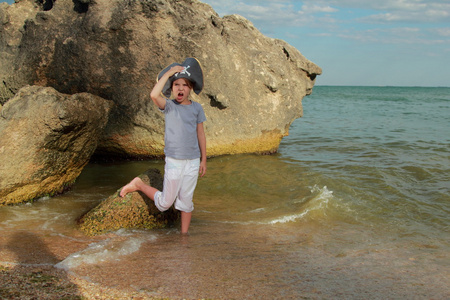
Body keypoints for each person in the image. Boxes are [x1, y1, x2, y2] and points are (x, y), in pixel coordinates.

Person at [120, 58, 207, 234]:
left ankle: (184, 237)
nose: (180, 88)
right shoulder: (168, 106)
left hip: (192, 161)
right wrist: (168, 73)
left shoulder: (197, 108)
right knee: (165, 203)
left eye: (184, 85)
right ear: (171, 87)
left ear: (190, 88)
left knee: (186, 201)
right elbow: (153, 95)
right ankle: (138, 185)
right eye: (176, 84)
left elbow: (200, 134)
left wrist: (203, 160)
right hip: (174, 160)